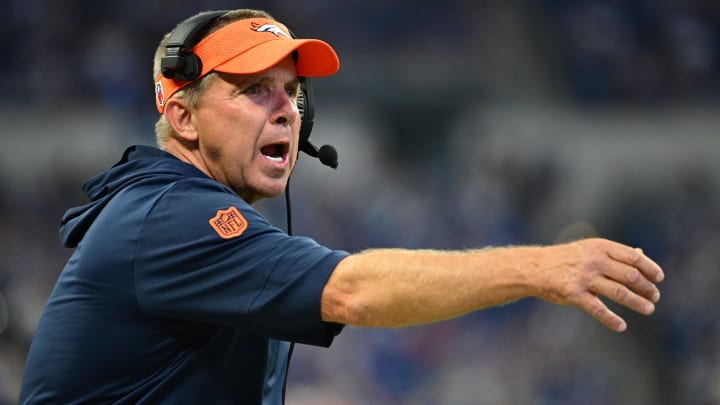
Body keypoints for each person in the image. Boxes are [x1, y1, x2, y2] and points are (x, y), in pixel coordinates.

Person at [19, 8, 664, 405]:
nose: (285, 110)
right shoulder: (168, 216)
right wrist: (539, 269)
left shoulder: (178, 214)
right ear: (182, 117)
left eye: (292, 93)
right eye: (253, 90)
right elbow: (352, 291)